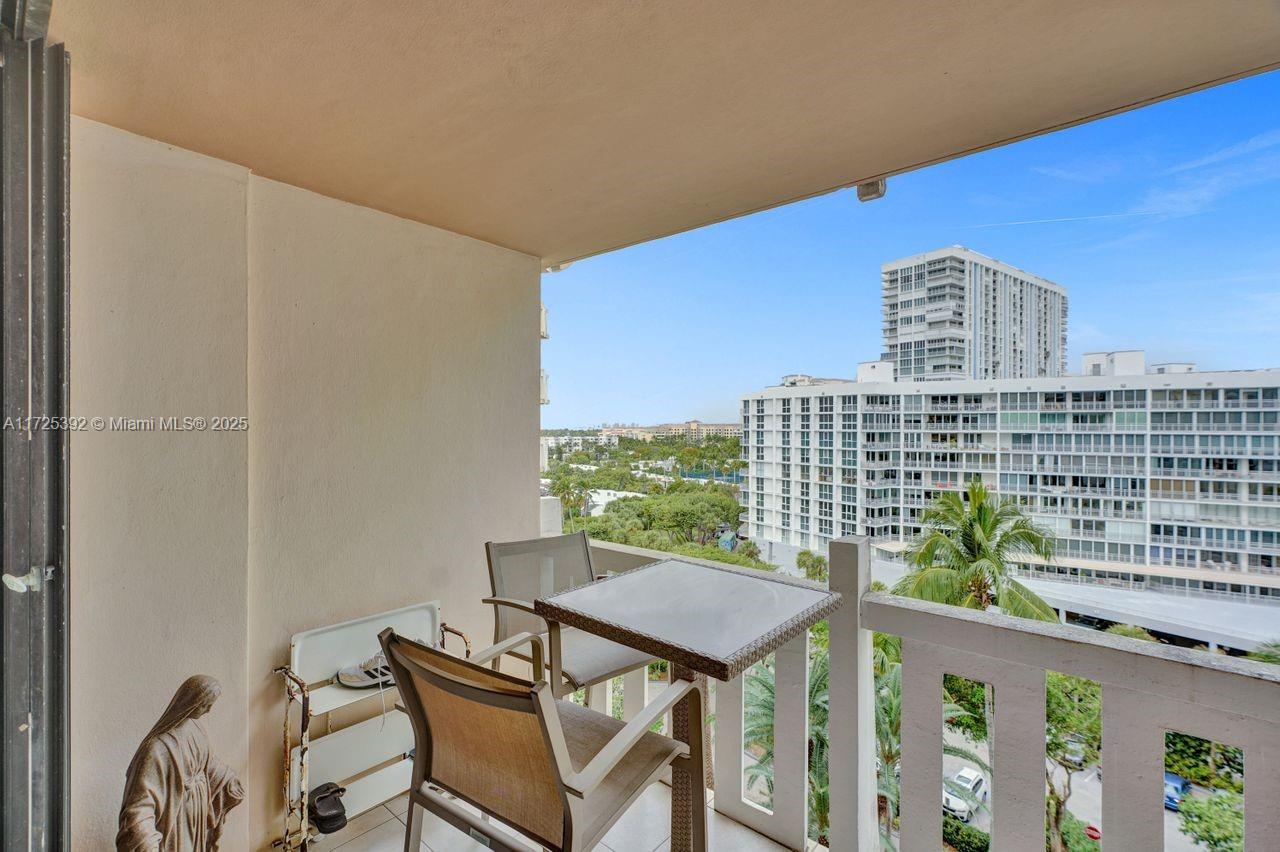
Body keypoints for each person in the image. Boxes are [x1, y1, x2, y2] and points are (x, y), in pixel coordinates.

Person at [117, 675, 244, 851]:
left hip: (195, 822)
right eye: (206, 705)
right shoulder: (158, 748)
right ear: (192, 701)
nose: (208, 711)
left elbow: (208, 765)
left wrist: (228, 780)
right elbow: (140, 806)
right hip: (176, 823)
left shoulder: (196, 729)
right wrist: (145, 842)